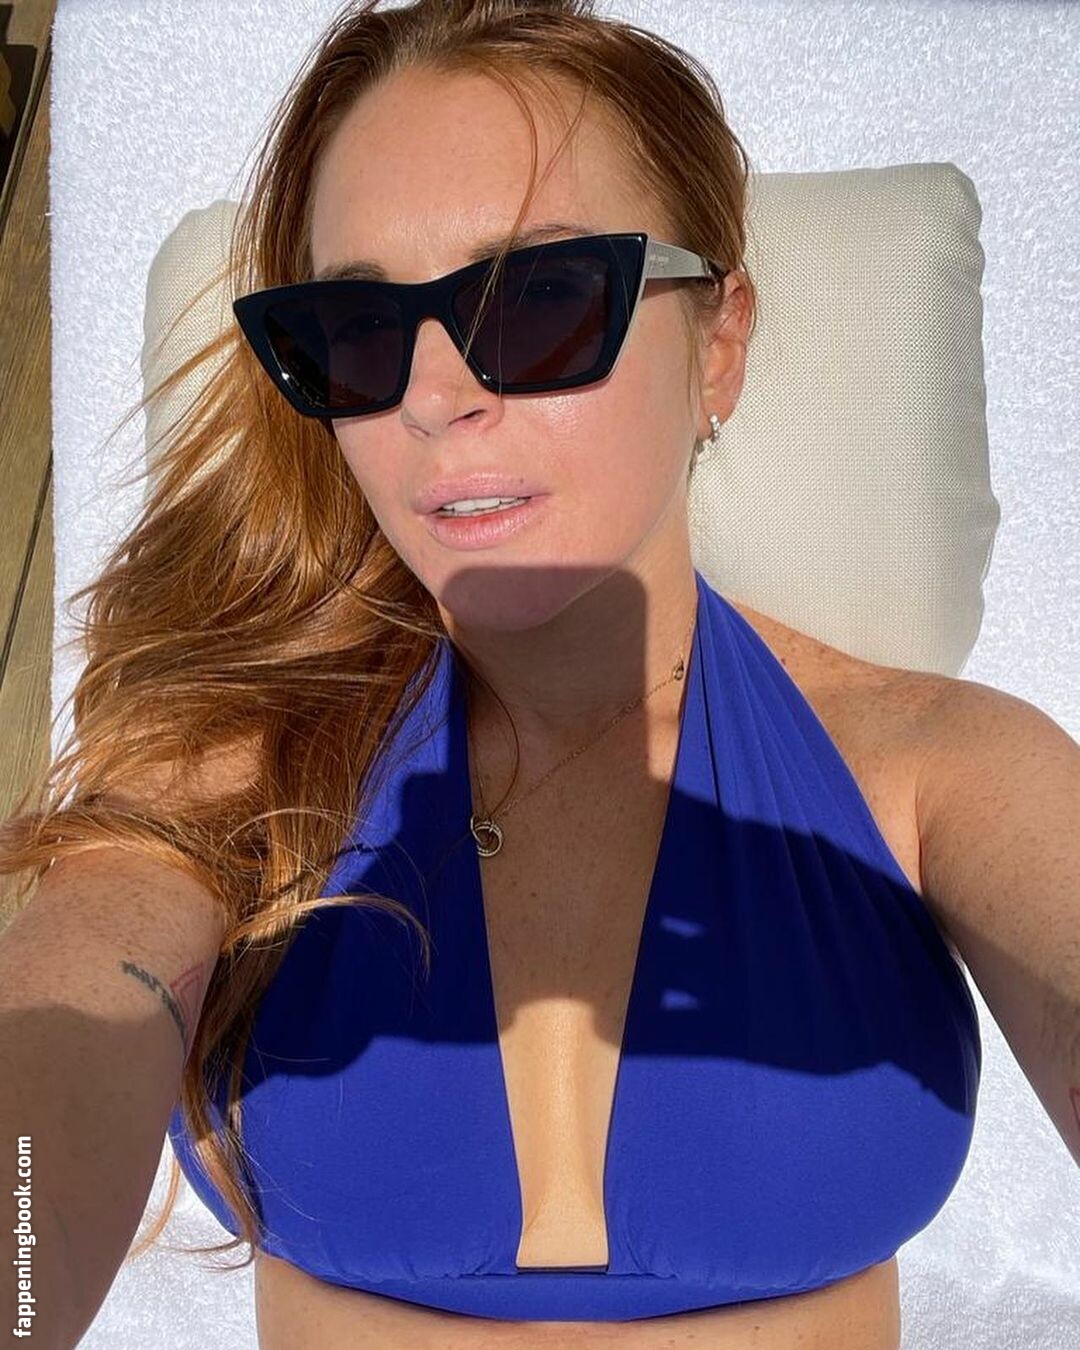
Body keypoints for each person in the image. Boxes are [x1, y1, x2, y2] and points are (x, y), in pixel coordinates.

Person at [16, 1, 1080, 1347]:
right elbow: (48, 1092)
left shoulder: (943, 773)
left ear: (720, 343)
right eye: (362, 326)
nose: (434, 396)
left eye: (541, 299)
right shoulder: (230, 769)